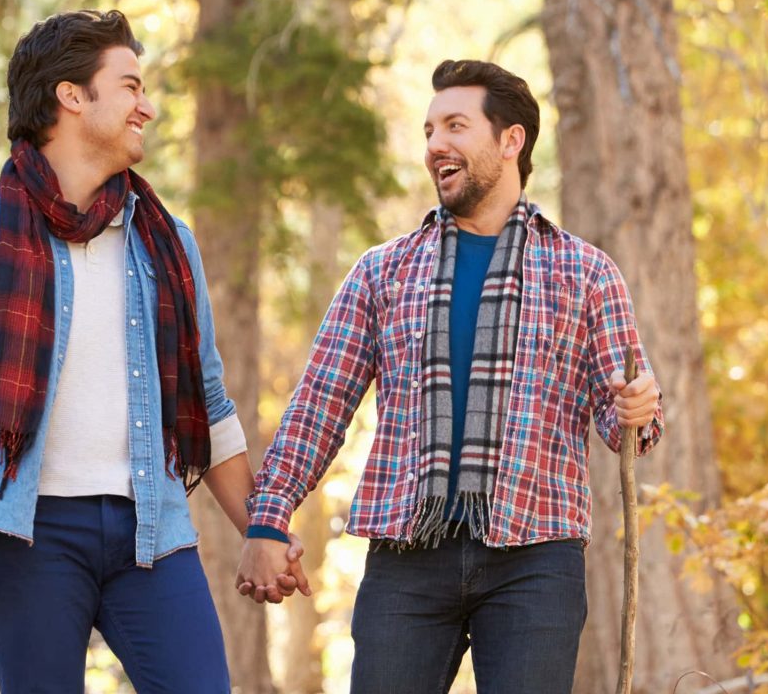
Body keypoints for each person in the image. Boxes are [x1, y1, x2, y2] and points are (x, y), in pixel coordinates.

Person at [0, 9, 305, 693]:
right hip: (28, 534)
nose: (148, 106)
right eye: (131, 86)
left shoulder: (168, 243)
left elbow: (207, 401)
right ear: (72, 96)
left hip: (154, 530)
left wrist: (261, 527)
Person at [236, 59, 664, 693]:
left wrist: (637, 409)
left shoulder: (586, 273)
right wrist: (269, 519)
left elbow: (626, 420)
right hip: (407, 556)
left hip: (536, 557)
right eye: (430, 129)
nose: (436, 144)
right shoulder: (384, 271)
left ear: (510, 140)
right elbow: (319, 406)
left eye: (455, 126)